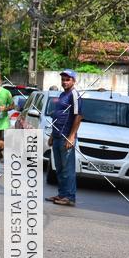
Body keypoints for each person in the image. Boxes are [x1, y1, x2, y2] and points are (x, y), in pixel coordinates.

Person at [46, 69, 83, 207]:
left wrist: (71, 136)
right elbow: (57, 116)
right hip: (57, 136)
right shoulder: (62, 94)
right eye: (63, 79)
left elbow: (78, 116)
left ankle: (70, 197)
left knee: (68, 169)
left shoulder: (75, 95)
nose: (64, 82)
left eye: (67, 79)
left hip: (66, 137)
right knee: (60, 168)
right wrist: (51, 136)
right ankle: (62, 194)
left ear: (73, 81)